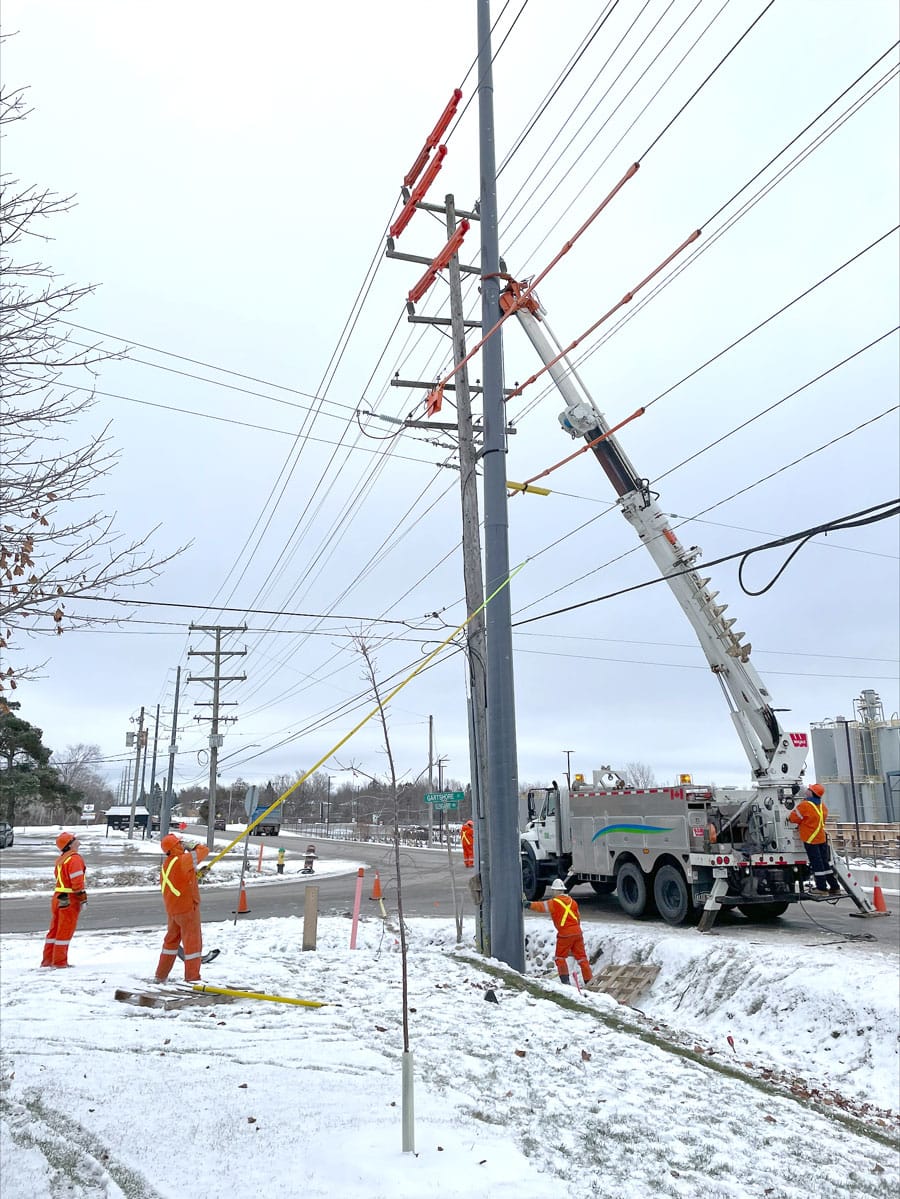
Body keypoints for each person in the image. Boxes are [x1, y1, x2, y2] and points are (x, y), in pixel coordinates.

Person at [155, 832, 210, 983]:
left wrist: (196, 875)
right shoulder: (182, 860)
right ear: (174, 847)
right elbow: (204, 850)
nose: (182, 845)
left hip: (173, 911)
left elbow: (180, 881)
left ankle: (160, 976)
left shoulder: (167, 864)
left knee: (170, 943)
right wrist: (193, 845)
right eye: (180, 843)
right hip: (187, 908)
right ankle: (192, 978)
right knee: (193, 943)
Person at [523, 878, 593, 986]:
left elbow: (541, 907)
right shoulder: (572, 902)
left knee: (560, 958)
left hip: (565, 934)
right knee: (582, 958)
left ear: (556, 891)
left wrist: (528, 904)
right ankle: (589, 982)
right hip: (577, 933)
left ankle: (566, 982)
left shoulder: (555, 902)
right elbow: (578, 918)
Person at [41, 831, 88, 968]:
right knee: (65, 930)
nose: (77, 840)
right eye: (74, 839)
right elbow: (77, 883)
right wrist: (82, 899)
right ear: (70, 844)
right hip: (69, 897)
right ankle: (60, 962)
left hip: (59, 896)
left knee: (54, 930)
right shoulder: (75, 859)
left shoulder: (62, 859)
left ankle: (48, 960)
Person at [789, 783, 840, 896]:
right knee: (824, 863)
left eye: (809, 789)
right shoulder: (822, 806)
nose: (806, 790)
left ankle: (821, 888)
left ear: (812, 793)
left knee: (817, 864)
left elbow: (792, 818)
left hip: (810, 839)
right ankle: (834, 886)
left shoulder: (805, 806)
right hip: (821, 838)